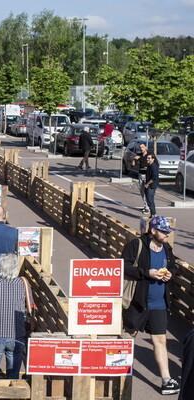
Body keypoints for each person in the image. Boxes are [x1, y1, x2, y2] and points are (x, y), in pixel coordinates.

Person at [122, 216, 179, 395]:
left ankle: (166, 380)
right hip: (137, 301)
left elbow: (173, 266)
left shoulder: (166, 248)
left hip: (159, 303)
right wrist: (147, 273)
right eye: (164, 232)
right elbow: (124, 266)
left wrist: (170, 274)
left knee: (160, 340)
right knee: (129, 337)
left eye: (168, 232)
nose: (167, 235)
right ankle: (121, 376)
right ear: (153, 231)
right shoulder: (136, 245)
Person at [131, 142, 155, 214]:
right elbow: (132, 165)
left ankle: (148, 207)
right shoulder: (139, 155)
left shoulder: (150, 155)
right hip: (141, 174)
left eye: (143, 147)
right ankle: (146, 206)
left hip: (147, 175)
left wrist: (147, 167)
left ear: (146, 148)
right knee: (142, 191)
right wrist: (134, 159)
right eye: (140, 147)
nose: (141, 149)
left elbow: (155, 164)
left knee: (147, 191)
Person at [144, 153, 160, 218]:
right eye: (147, 158)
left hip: (151, 186)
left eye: (149, 158)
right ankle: (152, 214)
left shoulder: (154, 166)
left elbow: (154, 177)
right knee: (148, 200)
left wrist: (147, 184)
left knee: (150, 200)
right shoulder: (149, 166)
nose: (147, 159)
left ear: (153, 159)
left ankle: (153, 214)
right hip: (148, 185)